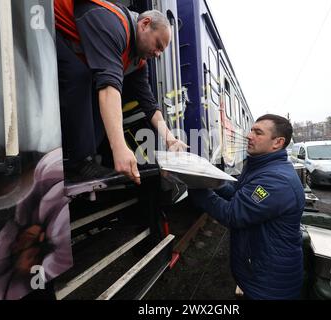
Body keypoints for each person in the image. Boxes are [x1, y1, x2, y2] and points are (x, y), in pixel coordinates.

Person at [54, 0, 186, 184]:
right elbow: (109, 88)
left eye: (161, 52)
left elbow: (149, 104)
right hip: (46, 21)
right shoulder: (114, 25)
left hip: (67, 42)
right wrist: (120, 148)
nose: (157, 54)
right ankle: (79, 162)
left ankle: (87, 159)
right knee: (79, 75)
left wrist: (170, 139)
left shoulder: (138, 62)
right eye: (158, 45)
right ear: (145, 24)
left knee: (99, 94)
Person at [191, 115, 305, 300]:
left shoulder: (275, 181)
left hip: (270, 283)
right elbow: (239, 193)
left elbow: (233, 214)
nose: (248, 135)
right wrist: (214, 181)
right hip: (260, 271)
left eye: (257, 132)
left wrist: (196, 185)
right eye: (251, 130)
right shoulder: (261, 166)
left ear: (277, 142)